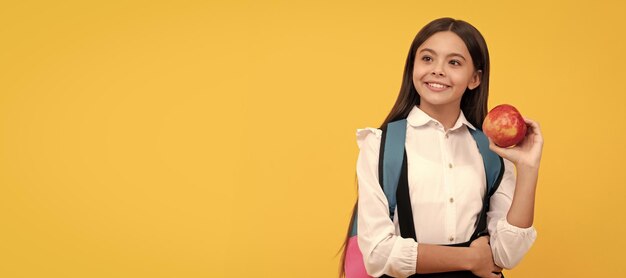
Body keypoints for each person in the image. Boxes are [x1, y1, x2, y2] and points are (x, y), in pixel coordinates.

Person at [341, 17, 543, 278]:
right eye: (427, 58)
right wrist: (470, 258)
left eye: (454, 62)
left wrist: (528, 168)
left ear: (474, 78)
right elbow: (378, 253)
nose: (437, 70)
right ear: (412, 66)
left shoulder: (490, 151)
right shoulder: (379, 145)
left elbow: (507, 254)